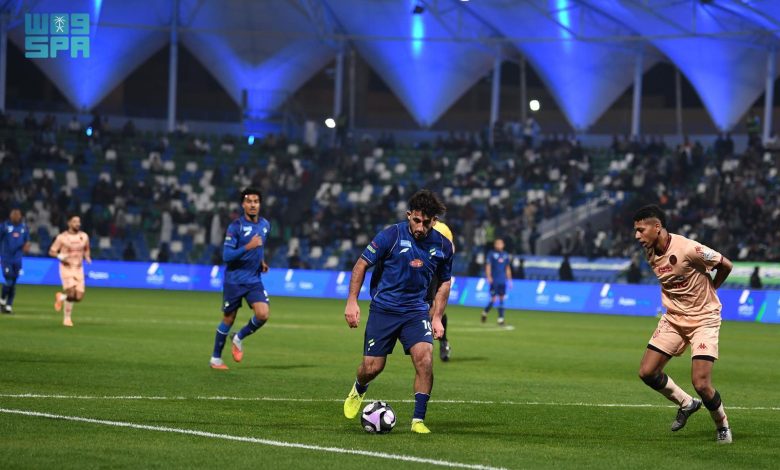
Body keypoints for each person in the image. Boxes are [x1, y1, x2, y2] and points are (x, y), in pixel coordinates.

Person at [343, 190, 453, 434]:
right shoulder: (391, 235)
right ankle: (359, 388)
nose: (420, 227)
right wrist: (352, 301)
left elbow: (445, 282)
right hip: (384, 309)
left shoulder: (443, 246)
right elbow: (361, 264)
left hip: (416, 311)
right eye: (416, 220)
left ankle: (418, 420)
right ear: (408, 215)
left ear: (434, 221)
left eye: (426, 222)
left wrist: (436, 317)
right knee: (372, 368)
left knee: (425, 359)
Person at [633, 204, 733, 444]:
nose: (637, 236)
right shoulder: (650, 252)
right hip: (674, 318)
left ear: (657, 227)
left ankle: (722, 425)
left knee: (701, 383)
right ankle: (687, 403)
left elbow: (726, 264)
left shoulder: (689, 248)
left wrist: (712, 288)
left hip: (704, 319)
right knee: (647, 372)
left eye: (641, 230)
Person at [209, 188, 271, 370]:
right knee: (228, 319)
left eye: (256, 201)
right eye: (249, 201)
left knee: (263, 314)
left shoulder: (265, 225)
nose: (252, 205)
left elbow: (259, 248)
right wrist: (248, 246)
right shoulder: (235, 227)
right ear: (243, 204)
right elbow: (227, 256)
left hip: (253, 279)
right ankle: (215, 359)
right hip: (234, 280)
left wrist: (261, 261)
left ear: (260, 204)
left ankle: (238, 337)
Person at [49, 214, 92, 327]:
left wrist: (87, 257)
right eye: (74, 221)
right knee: (71, 292)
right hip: (66, 268)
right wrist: (60, 256)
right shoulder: (62, 237)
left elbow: (87, 248)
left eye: (78, 222)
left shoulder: (84, 236)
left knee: (78, 297)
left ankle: (61, 297)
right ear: (69, 223)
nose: (77, 224)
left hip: (79, 269)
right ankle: (67, 319)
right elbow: (52, 251)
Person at [428, 221, 454, 362]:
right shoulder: (418, 225)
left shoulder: (443, 228)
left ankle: (442, 342)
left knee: (434, 308)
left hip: (436, 272)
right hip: (419, 271)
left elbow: (451, 249)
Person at [0, 209, 31, 314]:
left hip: (18, 259)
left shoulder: (24, 227)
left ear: (20, 216)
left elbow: (27, 240)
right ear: (11, 216)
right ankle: (2, 301)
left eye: (18, 215)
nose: (16, 216)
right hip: (6, 258)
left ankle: (8, 306)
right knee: (8, 280)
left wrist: (27, 246)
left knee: (13, 283)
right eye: (14, 215)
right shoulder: (4, 226)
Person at [482, 238, 512, 325]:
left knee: (502, 298)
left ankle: (501, 319)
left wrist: (510, 280)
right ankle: (485, 312)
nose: (499, 245)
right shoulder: (491, 254)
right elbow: (488, 266)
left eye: (500, 243)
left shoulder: (505, 255)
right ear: (495, 245)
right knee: (493, 299)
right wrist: (488, 276)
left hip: (502, 280)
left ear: (503, 245)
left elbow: (507, 268)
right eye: (497, 243)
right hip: (494, 280)